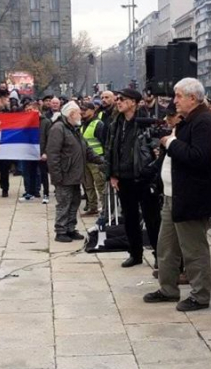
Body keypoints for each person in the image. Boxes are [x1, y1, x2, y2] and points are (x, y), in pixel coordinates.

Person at [143, 78, 211, 311]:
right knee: (166, 247)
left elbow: (199, 156)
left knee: (193, 250)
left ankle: (200, 295)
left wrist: (171, 142)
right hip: (171, 195)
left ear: (192, 98)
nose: (174, 101)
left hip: (191, 197)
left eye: (178, 96)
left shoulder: (204, 121)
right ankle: (168, 288)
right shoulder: (188, 120)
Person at [105, 88, 161, 268]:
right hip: (124, 178)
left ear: (134, 103)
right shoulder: (116, 123)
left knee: (152, 219)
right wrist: (112, 174)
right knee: (129, 218)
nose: (118, 101)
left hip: (144, 178)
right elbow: (111, 150)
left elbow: (155, 148)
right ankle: (135, 253)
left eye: (122, 99)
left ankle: (160, 255)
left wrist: (152, 173)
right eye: (118, 99)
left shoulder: (145, 122)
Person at [47, 101, 103, 242]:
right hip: (64, 174)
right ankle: (60, 230)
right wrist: (56, 175)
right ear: (71, 114)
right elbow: (53, 154)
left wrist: (102, 160)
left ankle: (70, 228)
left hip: (76, 175)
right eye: (78, 112)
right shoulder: (58, 129)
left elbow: (86, 149)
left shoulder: (74, 129)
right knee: (64, 203)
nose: (81, 114)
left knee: (74, 202)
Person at [80, 102, 107, 216]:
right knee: (88, 185)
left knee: (100, 185)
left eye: (85, 110)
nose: (82, 112)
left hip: (97, 159)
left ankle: (105, 209)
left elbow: (104, 142)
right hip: (85, 160)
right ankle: (92, 207)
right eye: (81, 110)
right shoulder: (82, 124)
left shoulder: (98, 124)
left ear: (92, 110)